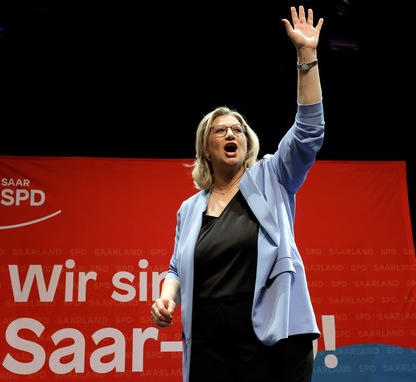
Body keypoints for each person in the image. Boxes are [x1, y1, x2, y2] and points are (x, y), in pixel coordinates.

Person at [151, 5, 324, 382]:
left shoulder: (272, 176)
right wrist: (167, 297)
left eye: (238, 129)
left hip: (272, 337)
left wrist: (306, 56)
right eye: (221, 131)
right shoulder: (190, 209)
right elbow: (177, 268)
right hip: (210, 340)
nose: (232, 134)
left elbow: (309, 133)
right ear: (206, 149)